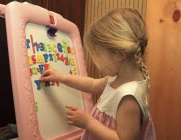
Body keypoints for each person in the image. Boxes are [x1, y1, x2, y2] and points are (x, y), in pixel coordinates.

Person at [40, 8, 156, 140]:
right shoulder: (121, 77)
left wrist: (88, 122)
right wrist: (61, 77)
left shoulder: (128, 98)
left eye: (97, 56)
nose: (97, 64)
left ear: (119, 55)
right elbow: (93, 84)